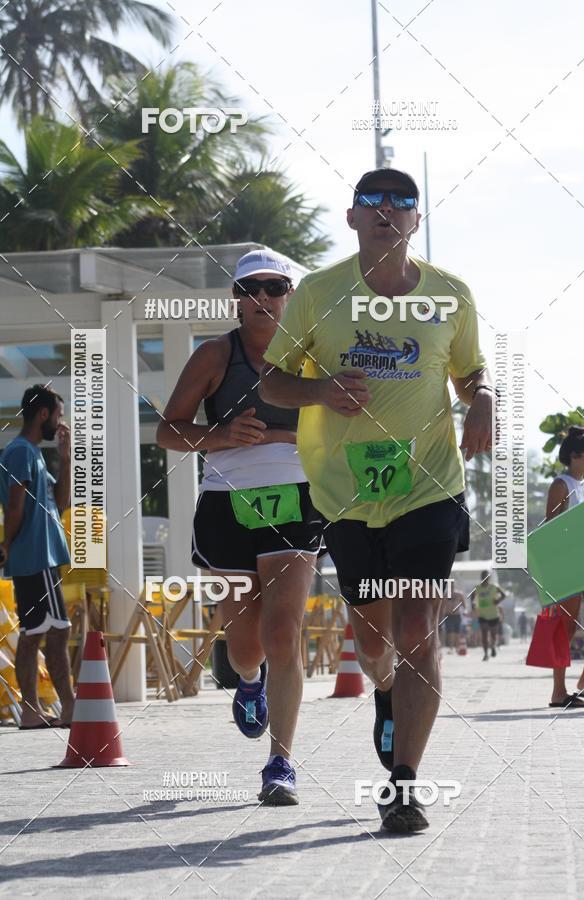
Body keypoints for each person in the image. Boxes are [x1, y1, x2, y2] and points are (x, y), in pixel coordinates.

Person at [259, 167, 492, 832]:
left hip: (429, 487)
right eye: (373, 200)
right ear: (352, 216)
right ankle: (385, 695)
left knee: (417, 632)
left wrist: (485, 401)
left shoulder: (450, 295)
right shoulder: (319, 293)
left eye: (402, 201)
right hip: (348, 495)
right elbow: (273, 383)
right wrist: (321, 393)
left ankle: (405, 786)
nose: (387, 209)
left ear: (417, 219)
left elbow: (472, 372)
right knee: (372, 645)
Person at [157, 249, 323, 805]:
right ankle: (248, 683)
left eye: (275, 288)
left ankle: (281, 762)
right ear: (237, 298)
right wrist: (220, 437)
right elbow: (167, 432)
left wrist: (278, 439)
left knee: (283, 633)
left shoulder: (312, 353)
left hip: (296, 498)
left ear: (291, 296)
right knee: (245, 646)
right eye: (251, 289)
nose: (264, 299)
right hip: (227, 503)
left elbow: (345, 424)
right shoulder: (215, 355)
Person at [0, 385, 74, 729]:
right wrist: (6, 544)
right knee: (57, 631)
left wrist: (66, 457)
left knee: (34, 633)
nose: (58, 422)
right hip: (35, 556)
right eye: (57, 414)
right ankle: (70, 709)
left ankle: (32, 711)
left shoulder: (33, 453)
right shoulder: (20, 452)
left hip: (39, 557)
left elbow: (60, 503)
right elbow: (14, 505)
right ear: (43, 414)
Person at [545, 426, 584, 709]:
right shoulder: (561, 484)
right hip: (566, 564)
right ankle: (558, 691)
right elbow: (552, 530)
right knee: (565, 629)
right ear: (575, 457)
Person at [473, 570, 505, 660]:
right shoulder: (477, 588)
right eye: (483, 577)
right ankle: (486, 654)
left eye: (486, 577)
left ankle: (493, 646)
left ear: (489, 578)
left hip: (494, 614)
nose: (485, 579)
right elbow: (472, 599)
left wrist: (497, 601)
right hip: (482, 614)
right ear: (481, 578)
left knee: (493, 635)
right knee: (484, 634)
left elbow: (503, 595)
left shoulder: (494, 587)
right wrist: (474, 606)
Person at [443, 586, 465, 653]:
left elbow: (464, 604)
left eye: (452, 585)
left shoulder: (459, 594)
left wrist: (465, 611)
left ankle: (457, 648)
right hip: (448, 615)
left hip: (457, 615)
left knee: (457, 632)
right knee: (450, 632)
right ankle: (451, 648)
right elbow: (442, 605)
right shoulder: (446, 595)